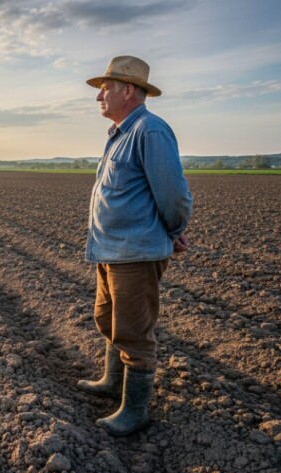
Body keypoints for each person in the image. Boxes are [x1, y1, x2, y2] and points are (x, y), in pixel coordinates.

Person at [77, 55, 193, 436]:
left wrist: (172, 231)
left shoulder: (150, 131)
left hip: (135, 253)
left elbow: (173, 194)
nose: (99, 96)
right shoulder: (121, 133)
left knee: (134, 333)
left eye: (105, 88)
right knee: (108, 320)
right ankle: (113, 383)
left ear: (128, 90)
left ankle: (135, 411)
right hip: (111, 250)